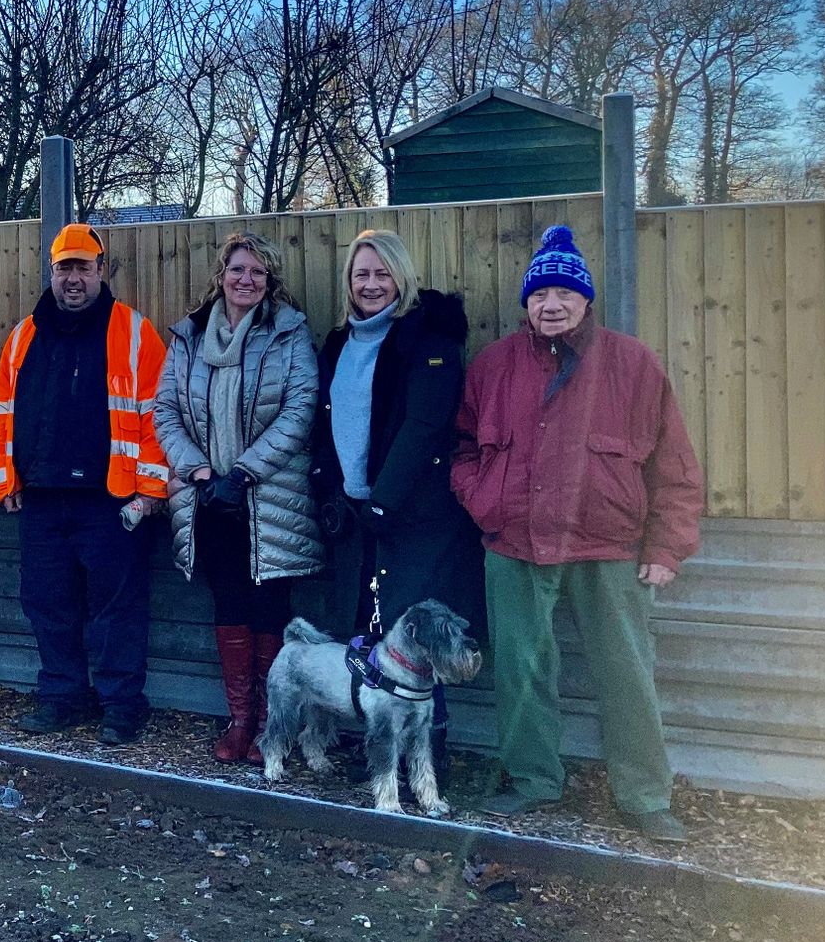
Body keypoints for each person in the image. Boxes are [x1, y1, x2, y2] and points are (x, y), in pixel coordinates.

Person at [452, 225, 702, 843]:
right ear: (526, 305)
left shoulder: (633, 363)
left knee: (627, 674)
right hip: (514, 542)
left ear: (586, 301)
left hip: (611, 547)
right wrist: (483, 500)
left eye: (564, 292)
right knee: (522, 671)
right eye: (540, 295)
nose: (552, 304)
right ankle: (533, 781)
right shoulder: (493, 366)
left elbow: (673, 464)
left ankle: (643, 795)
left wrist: (667, 547)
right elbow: (460, 449)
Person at [308, 229, 485, 770]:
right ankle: (379, 755)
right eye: (361, 274)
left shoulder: (429, 340)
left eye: (382, 273)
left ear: (401, 278)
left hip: (414, 516)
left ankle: (428, 760)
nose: (371, 284)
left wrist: (385, 501)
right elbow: (325, 419)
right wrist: (328, 487)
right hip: (356, 514)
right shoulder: (338, 343)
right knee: (366, 638)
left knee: (416, 638)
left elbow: (424, 426)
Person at [0, 224, 168, 746]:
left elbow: (159, 417)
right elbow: (2, 411)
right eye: (64, 267)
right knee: (47, 602)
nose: (73, 278)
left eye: (82, 267)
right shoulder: (24, 334)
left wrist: (151, 491)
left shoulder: (135, 332)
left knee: (118, 608)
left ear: (101, 270)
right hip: (42, 497)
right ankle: (64, 696)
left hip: (111, 499)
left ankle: (121, 704)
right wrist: (6, 479)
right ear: (52, 272)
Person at [155, 231, 323, 764]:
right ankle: (241, 719)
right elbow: (165, 412)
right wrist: (200, 472)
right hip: (210, 499)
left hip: (268, 498)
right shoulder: (189, 336)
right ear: (221, 276)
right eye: (237, 270)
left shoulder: (288, 334)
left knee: (269, 610)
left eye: (257, 272)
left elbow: (300, 410)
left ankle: (274, 723)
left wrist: (244, 473)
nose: (246, 280)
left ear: (269, 281)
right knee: (227, 605)